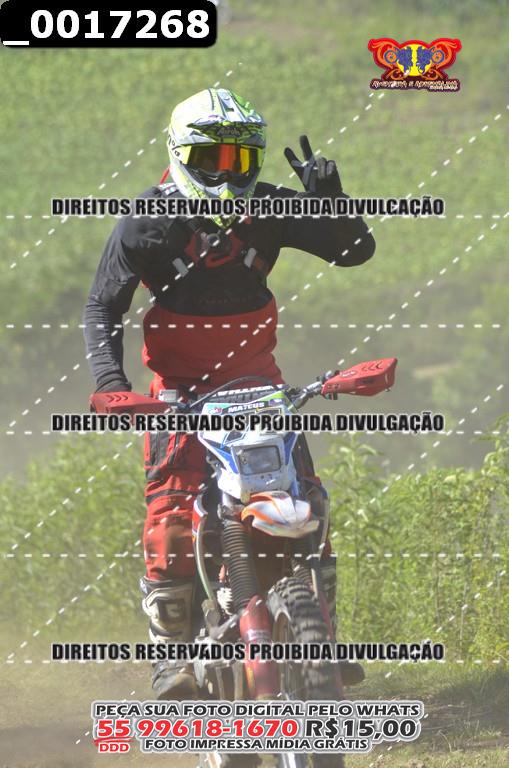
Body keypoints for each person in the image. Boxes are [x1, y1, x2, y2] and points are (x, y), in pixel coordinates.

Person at [84, 87, 375, 699]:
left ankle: (321, 632)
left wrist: (332, 204)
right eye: (210, 159)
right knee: (169, 519)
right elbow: (103, 306)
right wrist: (112, 384)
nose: (224, 175)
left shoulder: (268, 207)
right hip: (179, 396)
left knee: (307, 503)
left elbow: (355, 252)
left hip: (258, 389)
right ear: (179, 154)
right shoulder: (146, 220)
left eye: (238, 160)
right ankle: (170, 658)